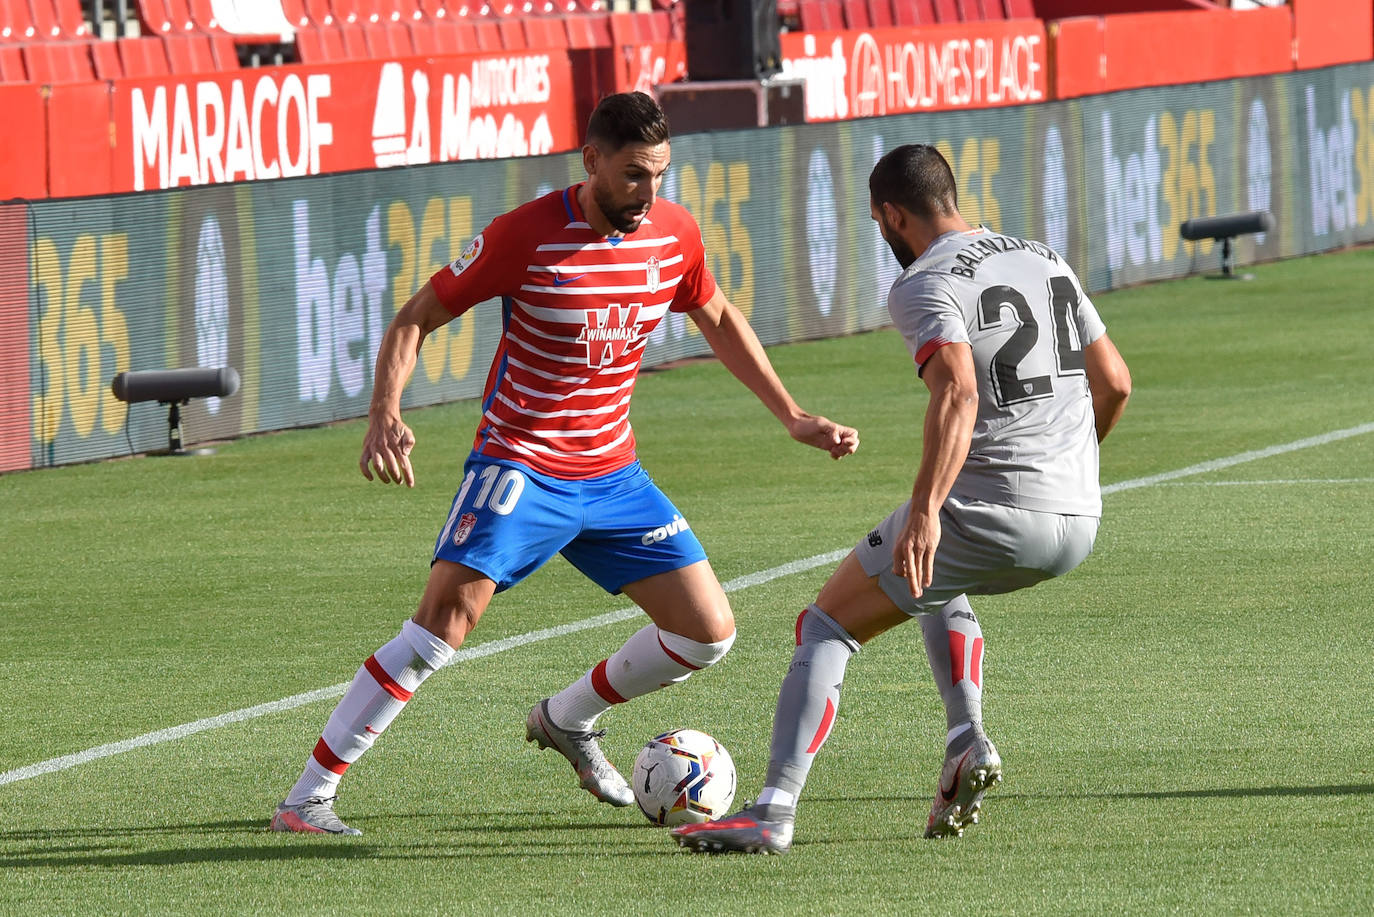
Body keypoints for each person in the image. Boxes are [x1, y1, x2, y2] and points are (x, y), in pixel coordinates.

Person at [269, 92, 859, 835]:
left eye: (661, 175)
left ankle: (565, 718)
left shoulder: (674, 235)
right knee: (443, 623)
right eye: (636, 175)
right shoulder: (526, 234)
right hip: (522, 466)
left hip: (614, 475)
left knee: (706, 632)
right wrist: (386, 411)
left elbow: (716, 313)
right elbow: (416, 315)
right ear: (592, 162)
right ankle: (306, 798)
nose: (650, 194)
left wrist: (795, 415)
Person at [671, 143, 1132, 854]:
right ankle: (965, 738)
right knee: (928, 576)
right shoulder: (1044, 256)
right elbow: (1117, 382)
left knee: (826, 625)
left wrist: (924, 510)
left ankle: (771, 811)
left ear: (891, 215)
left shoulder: (923, 280)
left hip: (997, 512)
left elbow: (957, 386)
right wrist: (1070, 465)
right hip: (1080, 515)